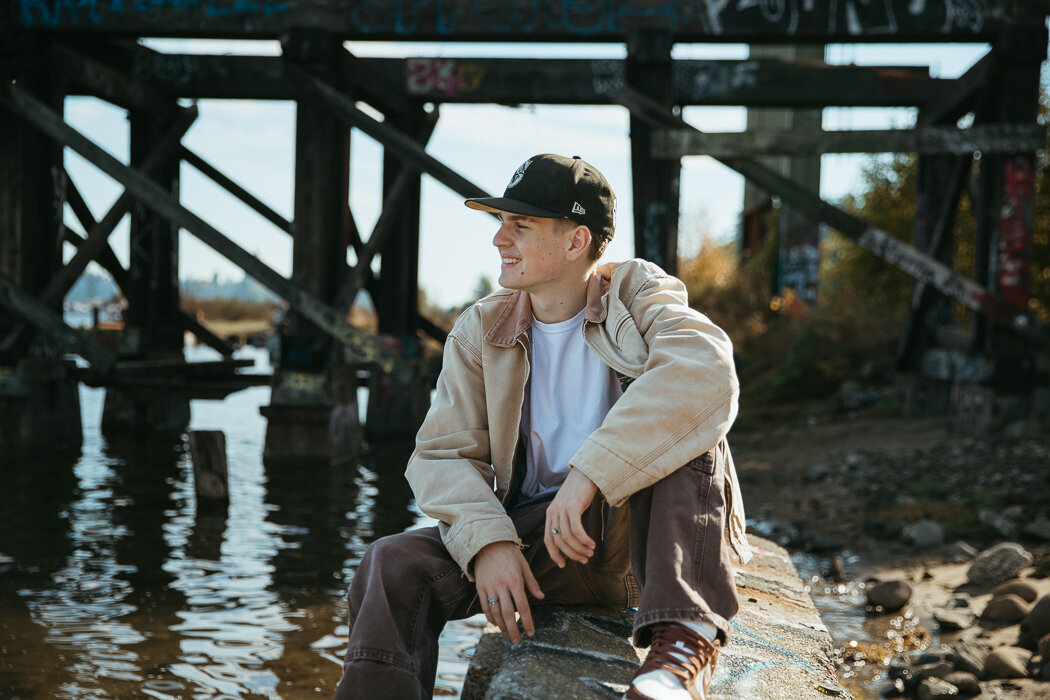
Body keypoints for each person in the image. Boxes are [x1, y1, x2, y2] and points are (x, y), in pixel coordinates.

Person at [334, 154, 750, 700]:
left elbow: (707, 371)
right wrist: (488, 543)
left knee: (691, 432)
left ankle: (679, 657)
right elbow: (441, 454)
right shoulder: (481, 327)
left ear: (577, 241)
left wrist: (590, 474)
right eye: (501, 223)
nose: (498, 240)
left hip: (638, 543)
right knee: (390, 562)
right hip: (542, 548)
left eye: (520, 226)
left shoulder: (639, 293)